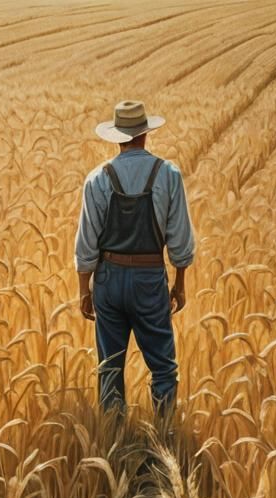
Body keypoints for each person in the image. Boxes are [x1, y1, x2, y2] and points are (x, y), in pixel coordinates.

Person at [75, 99, 195, 418]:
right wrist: (180, 285)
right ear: (145, 134)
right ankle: (164, 436)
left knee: (109, 369)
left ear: (117, 136)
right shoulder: (167, 174)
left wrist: (84, 290)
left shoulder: (97, 178)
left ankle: (113, 442)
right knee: (163, 368)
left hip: (108, 280)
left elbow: (86, 243)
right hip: (149, 278)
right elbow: (180, 240)